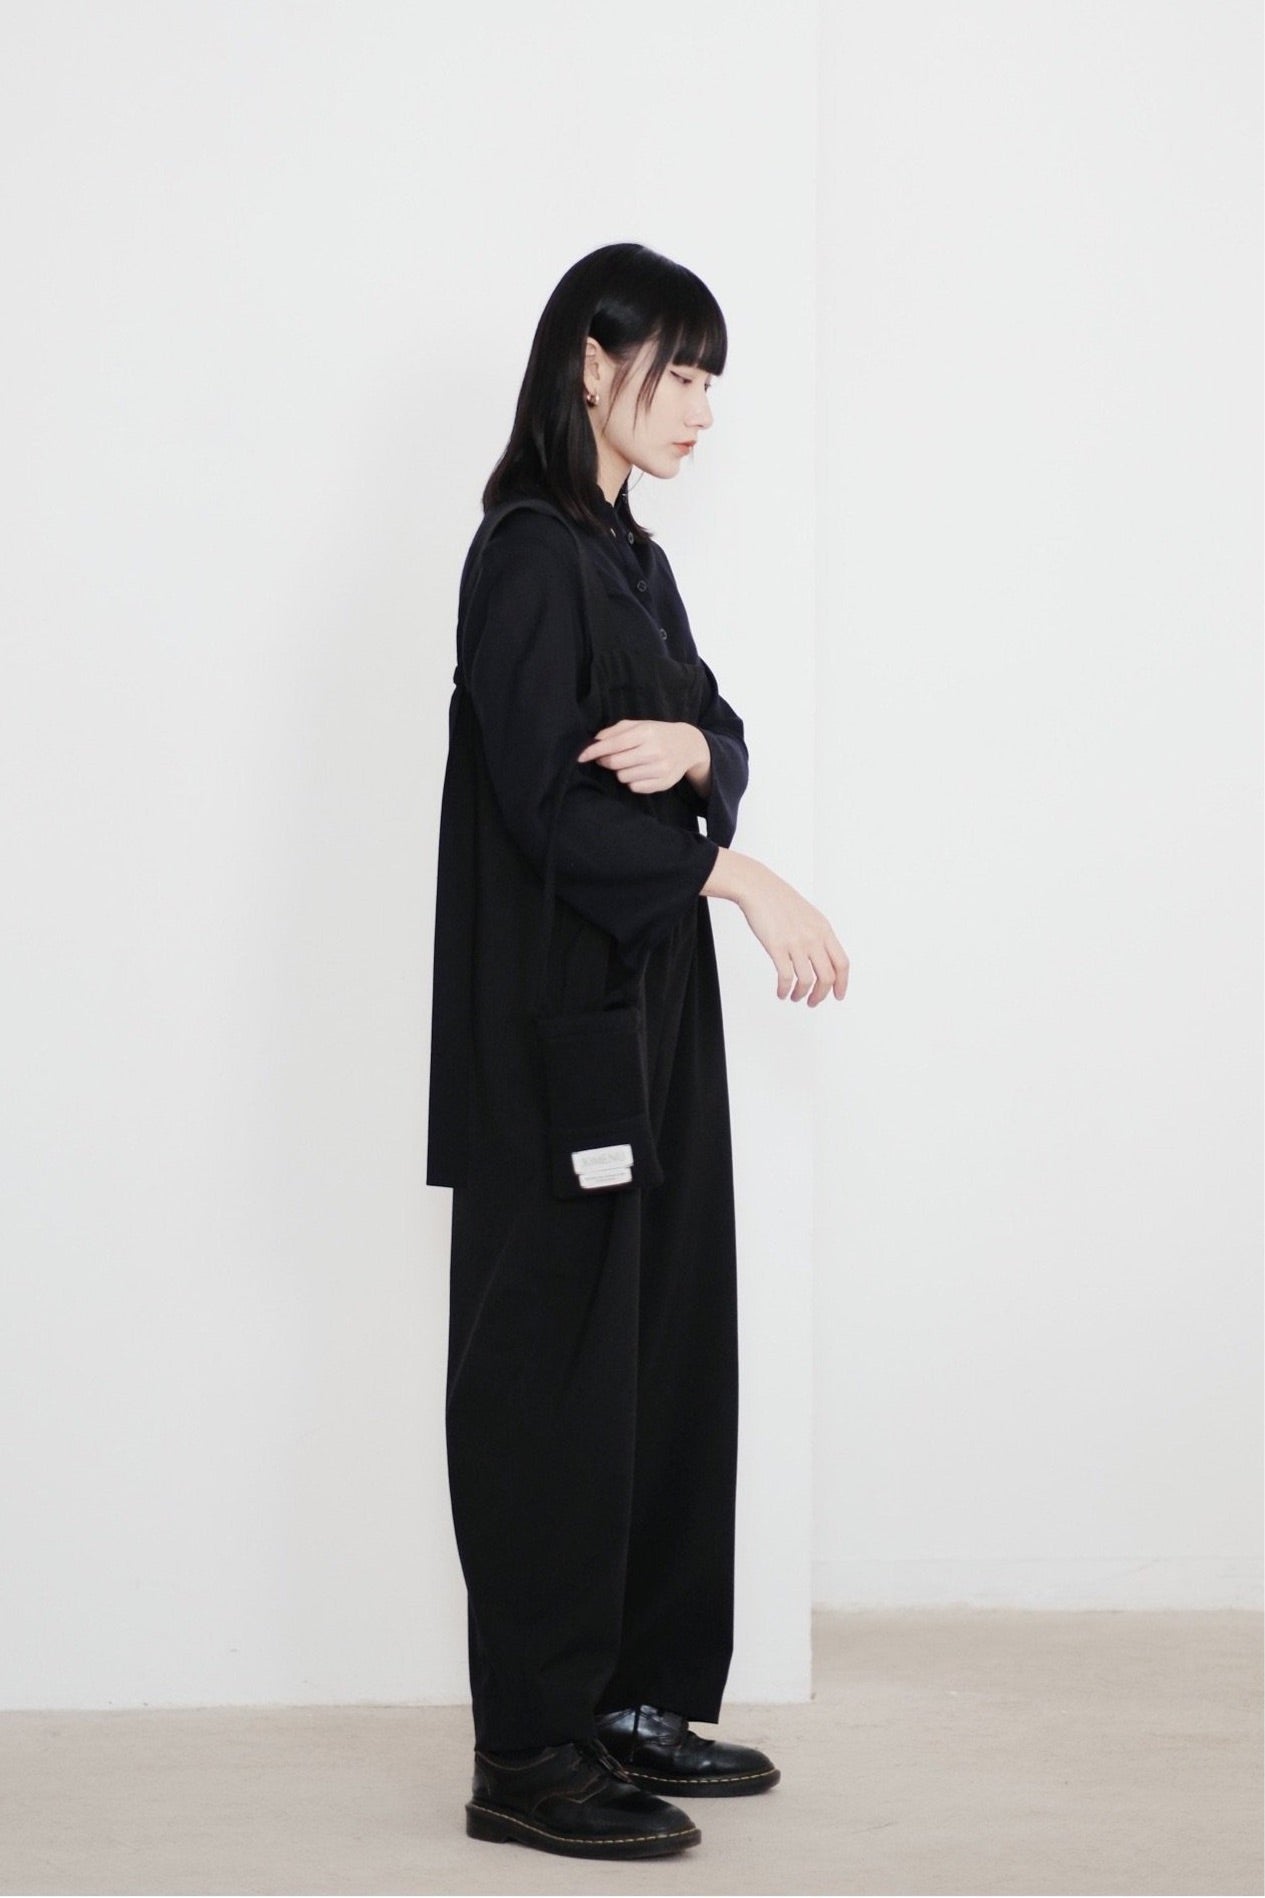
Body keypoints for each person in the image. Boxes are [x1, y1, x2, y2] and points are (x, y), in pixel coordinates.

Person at [425, 242, 849, 1862]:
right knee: (552, 1377)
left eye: (711, 382)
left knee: (663, 1357)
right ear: (592, 364)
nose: (700, 410)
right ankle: (527, 1753)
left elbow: (713, 729)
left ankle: (629, 1702)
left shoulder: (631, 559)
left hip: (652, 1013)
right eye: (680, 374)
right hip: (553, 1030)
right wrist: (731, 869)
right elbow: (544, 805)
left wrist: (695, 751)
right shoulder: (527, 554)